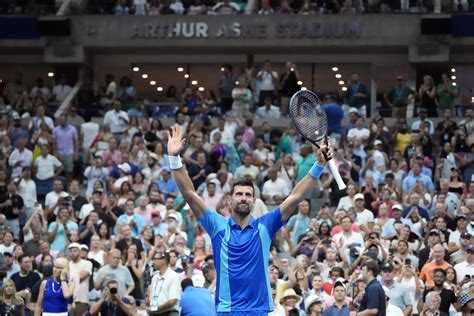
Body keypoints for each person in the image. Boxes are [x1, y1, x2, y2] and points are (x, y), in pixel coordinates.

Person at [166, 125, 331, 315]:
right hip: (227, 311)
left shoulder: (265, 226)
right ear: (229, 199)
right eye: (239, 194)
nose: (243, 197)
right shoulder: (217, 225)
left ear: (254, 201)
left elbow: (295, 198)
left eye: (248, 195)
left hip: (259, 311)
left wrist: (319, 165)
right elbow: (189, 193)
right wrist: (174, 158)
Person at [68, 243, 93, 316]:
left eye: (75, 251)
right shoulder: (68, 264)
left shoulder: (87, 263)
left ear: (79, 251)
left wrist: (69, 277)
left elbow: (80, 278)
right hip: (68, 299)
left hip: (81, 299)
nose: (72, 253)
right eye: (71, 251)